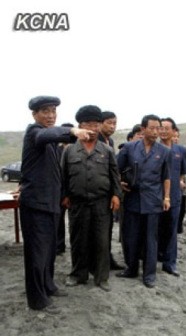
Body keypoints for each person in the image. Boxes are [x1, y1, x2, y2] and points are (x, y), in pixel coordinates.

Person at [19, 95, 93, 313]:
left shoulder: (51, 144)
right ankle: (37, 300)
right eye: (45, 111)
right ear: (35, 114)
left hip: (51, 205)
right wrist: (71, 131)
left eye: (53, 111)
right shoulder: (34, 132)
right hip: (35, 206)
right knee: (36, 254)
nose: (50, 115)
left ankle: (49, 286)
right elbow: (47, 134)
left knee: (50, 251)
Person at [62, 106, 122, 292]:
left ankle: (101, 277)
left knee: (102, 241)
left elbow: (115, 176)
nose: (93, 128)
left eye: (96, 125)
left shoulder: (107, 150)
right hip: (77, 203)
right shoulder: (70, 150)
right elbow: (63, 176)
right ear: (80, 126)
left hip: (101, 203)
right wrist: (64, 195)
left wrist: (116, 195)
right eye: (88, 124)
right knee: (78, 239)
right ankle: (78, 274)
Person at [117, 114, 171, 288]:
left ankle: (149, 275)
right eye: (153, 128)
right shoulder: (129, 148)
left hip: (153, 200)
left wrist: (167, 197)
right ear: (143, 129)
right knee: (130, 236)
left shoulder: (164, 151)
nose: (156, 132)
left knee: (150, 239)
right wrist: (119, 183)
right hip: (132, 198)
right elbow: (115, 169)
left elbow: (166, 177)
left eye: (159, 128)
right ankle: (131, 268)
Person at [158, 117, 186, 277]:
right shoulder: (153, 148)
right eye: (160, 128)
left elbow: (182, 173)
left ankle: (170, 263)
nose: (162, 131)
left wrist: (180, 183)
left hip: (174, 197)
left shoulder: (181, 151)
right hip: (155, 197)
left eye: (166, 128)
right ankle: (155, 257)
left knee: (171, 231)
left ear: (174, 131)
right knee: (155, 230)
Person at [97, 110, 124, 270]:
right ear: (100, 123)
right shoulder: (96, 141)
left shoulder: (111, 142)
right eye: (110, 122)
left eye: (115, 123)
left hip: (110, 192)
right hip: (98, 191)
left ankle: (108, 258)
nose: (113, 126)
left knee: (107, 229)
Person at [56, 122, 74, 256]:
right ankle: (59, 245)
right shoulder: (57, 149)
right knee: (59, 220)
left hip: (74, 190)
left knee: (75, 222)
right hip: (59, 190)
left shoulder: (76, 149)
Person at [172, 128, 186, 234]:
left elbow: (184, 170)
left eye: (177, 136)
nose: (176, 139)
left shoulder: (182, 150)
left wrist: (181, 181)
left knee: (181, 210)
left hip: (180, 188)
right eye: (174, 136)